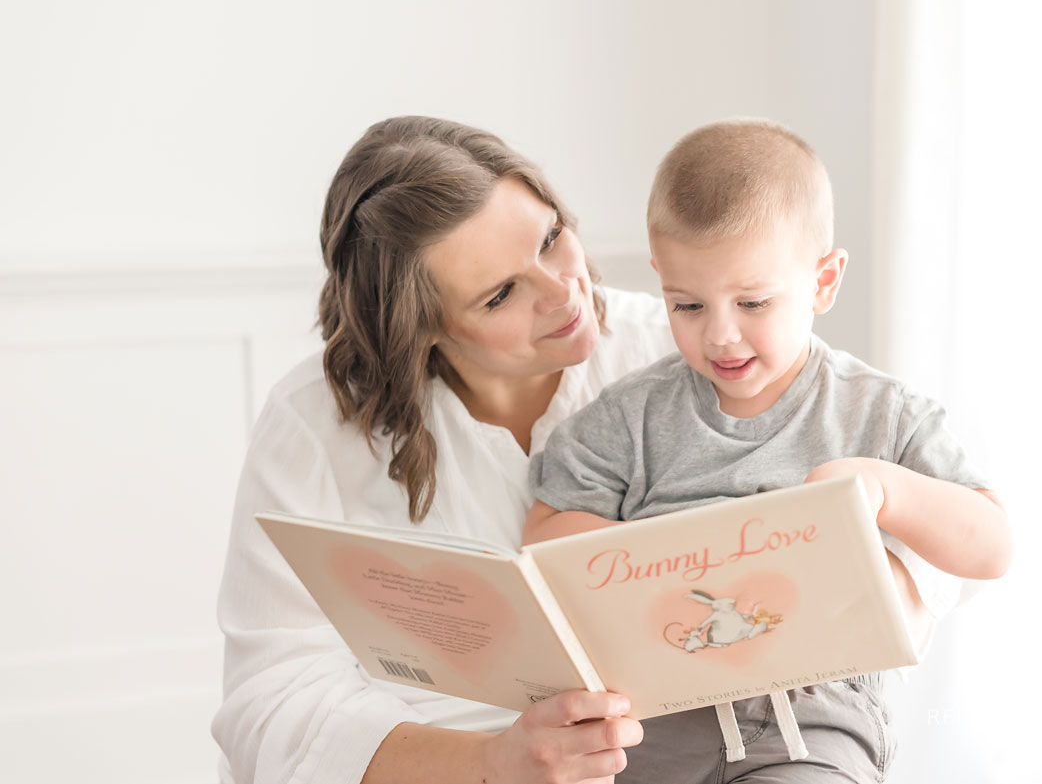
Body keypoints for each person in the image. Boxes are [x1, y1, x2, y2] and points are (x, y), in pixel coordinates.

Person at [211, 116, 968, 784]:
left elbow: (887, 475)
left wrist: (897, 578)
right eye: (500, 294)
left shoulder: (690, 345)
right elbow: (273, 701)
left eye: (550, 238)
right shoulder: (316, 422)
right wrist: (486, 767)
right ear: (423, 331)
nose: (564, 292)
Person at [523, 118, 1012, 782]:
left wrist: (884, 488)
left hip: (807, 719)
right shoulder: (626, 417)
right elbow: (547, 539)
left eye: (753, 301)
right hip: (652, 717)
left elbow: (990, 544)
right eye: (687, 304)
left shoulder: (878, 412)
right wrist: (637, 562)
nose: (721, 334)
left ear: (823, 281)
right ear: (660, 277)